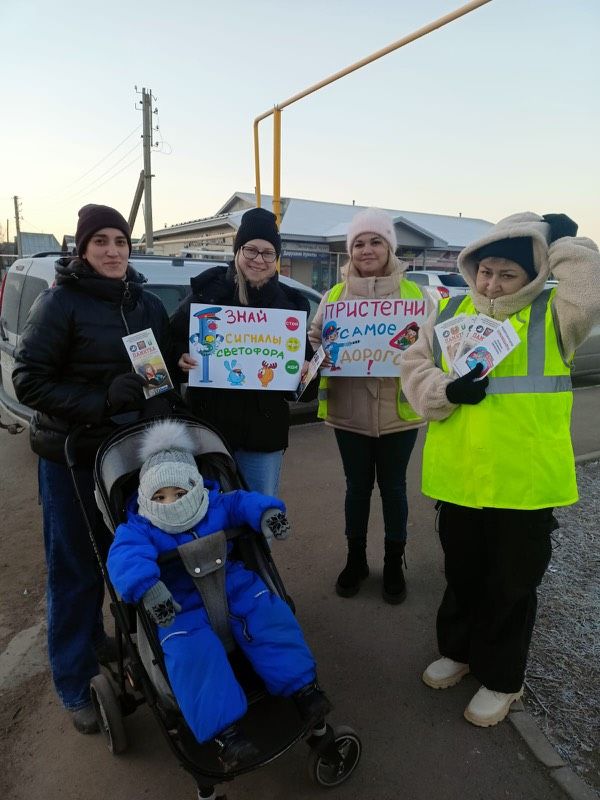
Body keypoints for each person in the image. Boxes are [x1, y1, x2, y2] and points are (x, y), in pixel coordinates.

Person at [400, 212, 600, 727]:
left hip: (525, 484)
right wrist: (444, 390)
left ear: (532, 275)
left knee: (511, 585)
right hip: (460, 478)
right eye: (485, 269)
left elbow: (591, 282)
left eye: (507, 273)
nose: (491, 282)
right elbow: (413, 368)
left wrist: (554, 238)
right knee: (463, 575)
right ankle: (460, 652)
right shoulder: (449, 311)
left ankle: (503, 678)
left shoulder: (555, 314)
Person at [12, 204, 177, 735]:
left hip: (133, 458)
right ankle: (74, 679)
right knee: (76, 571)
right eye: (100, 241)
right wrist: (101, 400)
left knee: (126, 559)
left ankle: (111, 640)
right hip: (73, 459)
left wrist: (176, 383)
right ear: (81, 249)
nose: (111, 251)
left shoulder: (145, 302)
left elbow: (162, 373)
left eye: (120, 242)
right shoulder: (59, 302)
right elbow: (29, 381)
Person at [106, 419, 332, 770]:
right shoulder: (139, 527)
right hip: (177, 603)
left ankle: (304, 689)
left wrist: (268, 513)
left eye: (179, 494)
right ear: (145, 498)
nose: (171, 503)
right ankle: (226, 734)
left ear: (195, 486)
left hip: (233, 585)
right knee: (192, 653)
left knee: (269, 616)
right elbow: (125, 557)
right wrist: (149, 589)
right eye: (160, 496)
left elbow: (244, 502)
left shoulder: (214, 503)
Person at [308, 208, 426, 603]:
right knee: (356, 488)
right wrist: (323, 350)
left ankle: (394, 562)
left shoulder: (416, 296)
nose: (366, 249)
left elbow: (433, 348)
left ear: (390, 247)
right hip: (349, 411)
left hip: (400, 412)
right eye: (358, 243)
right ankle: (355, 558)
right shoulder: (335, 297)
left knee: (394, 489)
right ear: (349, 252)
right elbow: (315, 338)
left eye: (376, 241)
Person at [171, 207, 315, 497]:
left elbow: (306, 385)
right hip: (209, 433)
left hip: (263, 438)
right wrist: (179, 361)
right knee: (211, 519)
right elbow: (168, 347)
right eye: (251, 250)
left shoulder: (288, 306)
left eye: (267, 253)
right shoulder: (206, 296)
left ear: (276, 259)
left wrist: (305, 375)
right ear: (237, 251)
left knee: (258, 521)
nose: (258, 260)